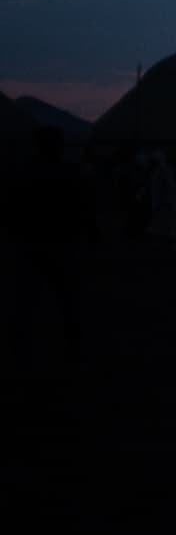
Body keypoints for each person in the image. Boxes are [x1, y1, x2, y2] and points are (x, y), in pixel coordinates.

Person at [6, 127, 89, 368]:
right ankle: (72, 345)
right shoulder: (70, 173)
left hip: (31, 243)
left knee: (25, 298)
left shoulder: (23, 173)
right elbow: (81, 206)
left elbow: (11, 206)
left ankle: (18, 347)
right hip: (62, 243)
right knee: (67, 298)